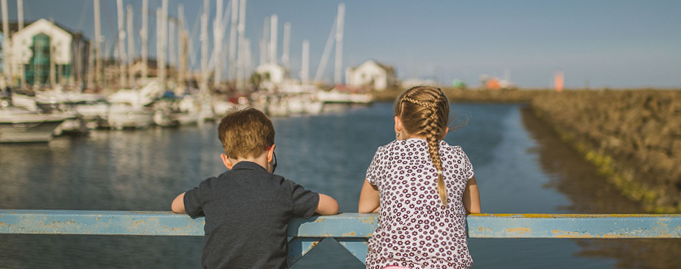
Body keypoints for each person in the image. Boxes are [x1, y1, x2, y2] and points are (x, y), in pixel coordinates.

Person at [171, 108, 339, 269]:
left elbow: (176, 205)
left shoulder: (210, 188)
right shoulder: (283, 189)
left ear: (226, 160)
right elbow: (332, 206)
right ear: (270, 153)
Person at [358, 86, 482, 269]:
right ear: (444, 130)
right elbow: (474, 210)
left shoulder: (385, 155)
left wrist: (394, 206)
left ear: (397, 123)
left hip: (391, 263)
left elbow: (364, 208)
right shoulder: (458, 157)